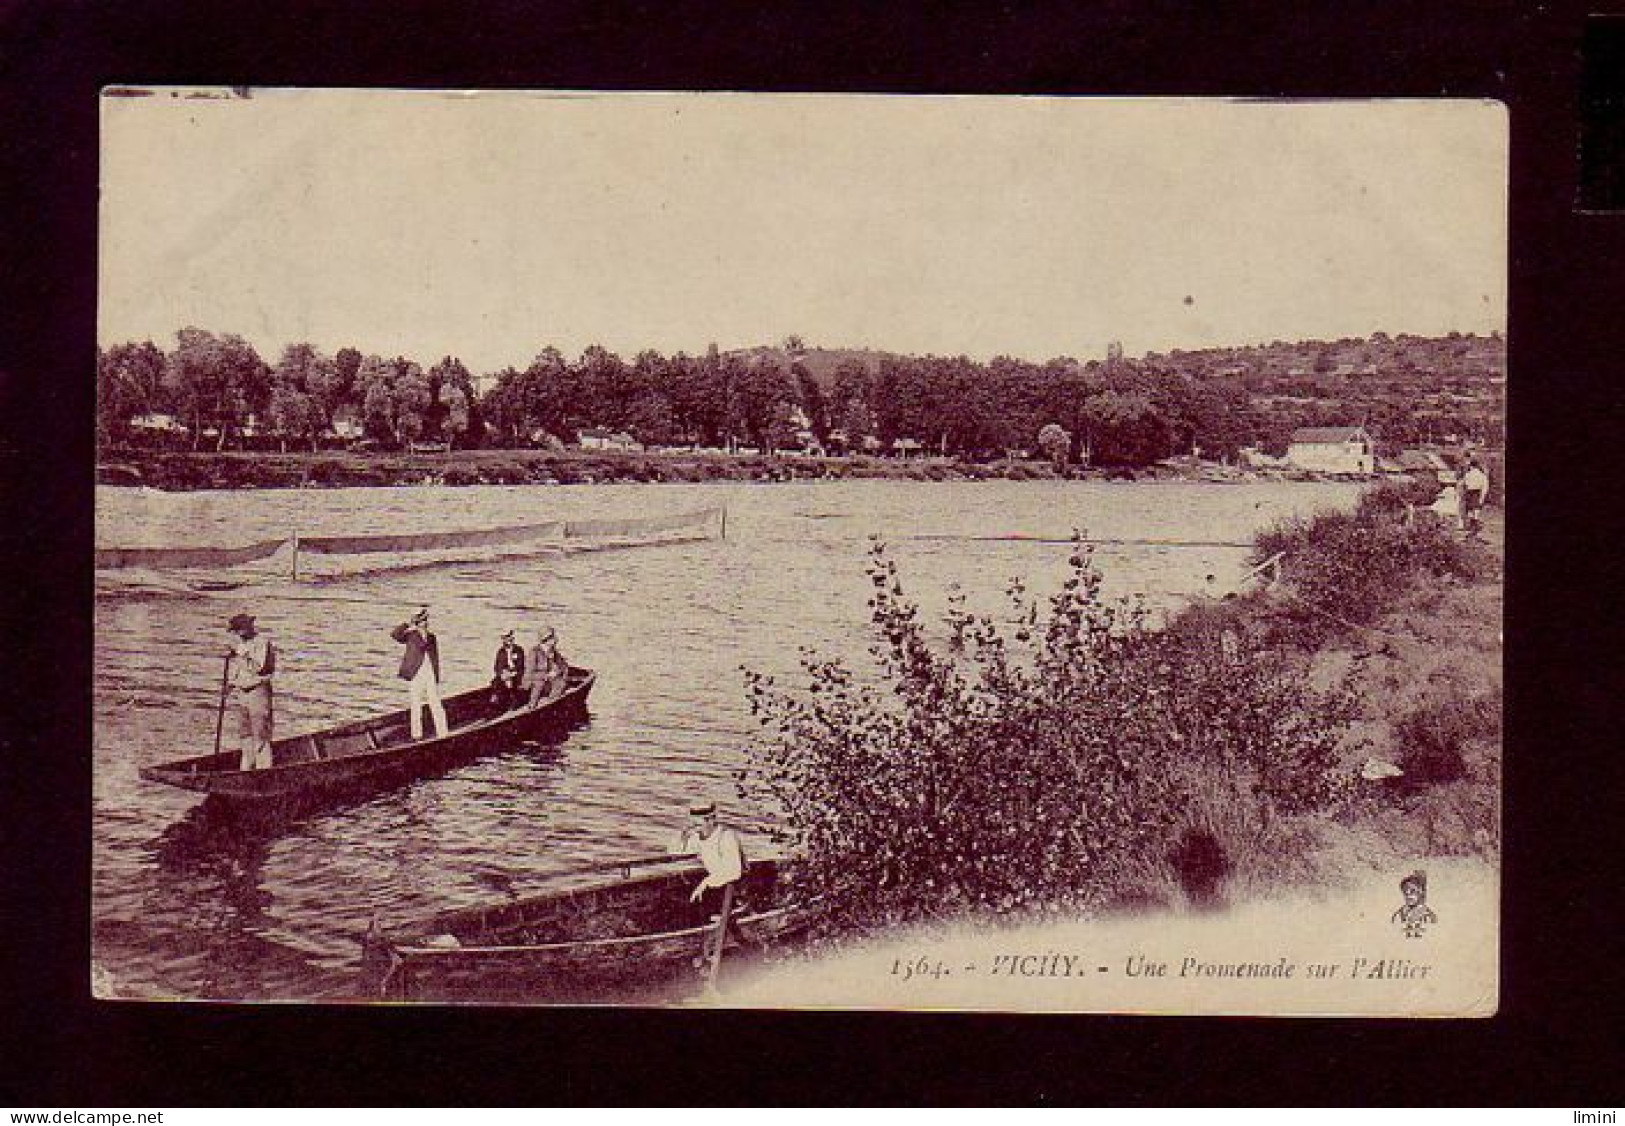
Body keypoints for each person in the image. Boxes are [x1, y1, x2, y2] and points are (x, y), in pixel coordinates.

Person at [225, 612, 276, 770]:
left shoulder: (262, 643)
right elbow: (237, 670)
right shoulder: (241, 644)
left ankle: (264, 773)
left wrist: (239, 654)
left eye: (239, 630)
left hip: (258, 692)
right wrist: (230, 684)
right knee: (245, 737)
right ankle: (245, 773)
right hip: (242, 694)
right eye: (235, 631)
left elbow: (258, 668)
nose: (237, 634)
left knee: (260, 737)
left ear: (248, 627)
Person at [675, 801, 747, 909]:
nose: (695, 828)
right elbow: (679, 853)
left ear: (711, 820)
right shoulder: (699, 836)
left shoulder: (726, 837)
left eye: (698, 824)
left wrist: (705, 883)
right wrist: (683, 836)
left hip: (734, 892)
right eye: (693, 824)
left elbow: (734, 872)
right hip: (716, 887)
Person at [392, 607, 448, 740]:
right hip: (416, 673)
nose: (425, 623)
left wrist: (436, 675)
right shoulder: (410, 635)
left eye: (426, 620)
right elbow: (395, 635)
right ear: (417, 622)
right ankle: (416, 735)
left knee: (435, 702)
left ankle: (443, 733)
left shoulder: (432, 637)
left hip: (429, 674)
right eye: (422, 620)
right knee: (415, 704)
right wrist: (408, 624)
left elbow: (435, 658)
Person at [524, 625, 570, 707]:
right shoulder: (534, 652)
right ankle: (532, 706)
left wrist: (557, 671)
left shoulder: (553, 652)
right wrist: (547, 675)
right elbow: (529, 674)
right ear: (546, 640)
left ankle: (550, 703)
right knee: (539, 684)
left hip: (549, 682)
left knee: (561, 683)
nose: (555, 639)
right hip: (535, 683)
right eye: (552, 637)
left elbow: (564, 667)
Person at [490, 628, 527, 713]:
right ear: (503, 639)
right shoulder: (501, 652)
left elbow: (521, 665)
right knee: (495, 682)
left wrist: (513, 673)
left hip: (517, 673)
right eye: (506, 637)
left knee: (512, 682)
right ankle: (497, 704)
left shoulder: (519, 650)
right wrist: (502, 674)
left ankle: (514, 702)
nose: (509, 639)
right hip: (505, 674)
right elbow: (497, 667)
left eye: (510, 636)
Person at [1461, 457, 1490, 532]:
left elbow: (1464, 483)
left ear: (1471, 466)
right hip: (1478, 492)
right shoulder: (1482, 475)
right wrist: (1482, 496)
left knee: (1470, 509)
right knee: (1477, 508)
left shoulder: (1468, 474)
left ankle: (1471, 526)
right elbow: (1485, 486)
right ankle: (1474, 524)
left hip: (1469, 492)